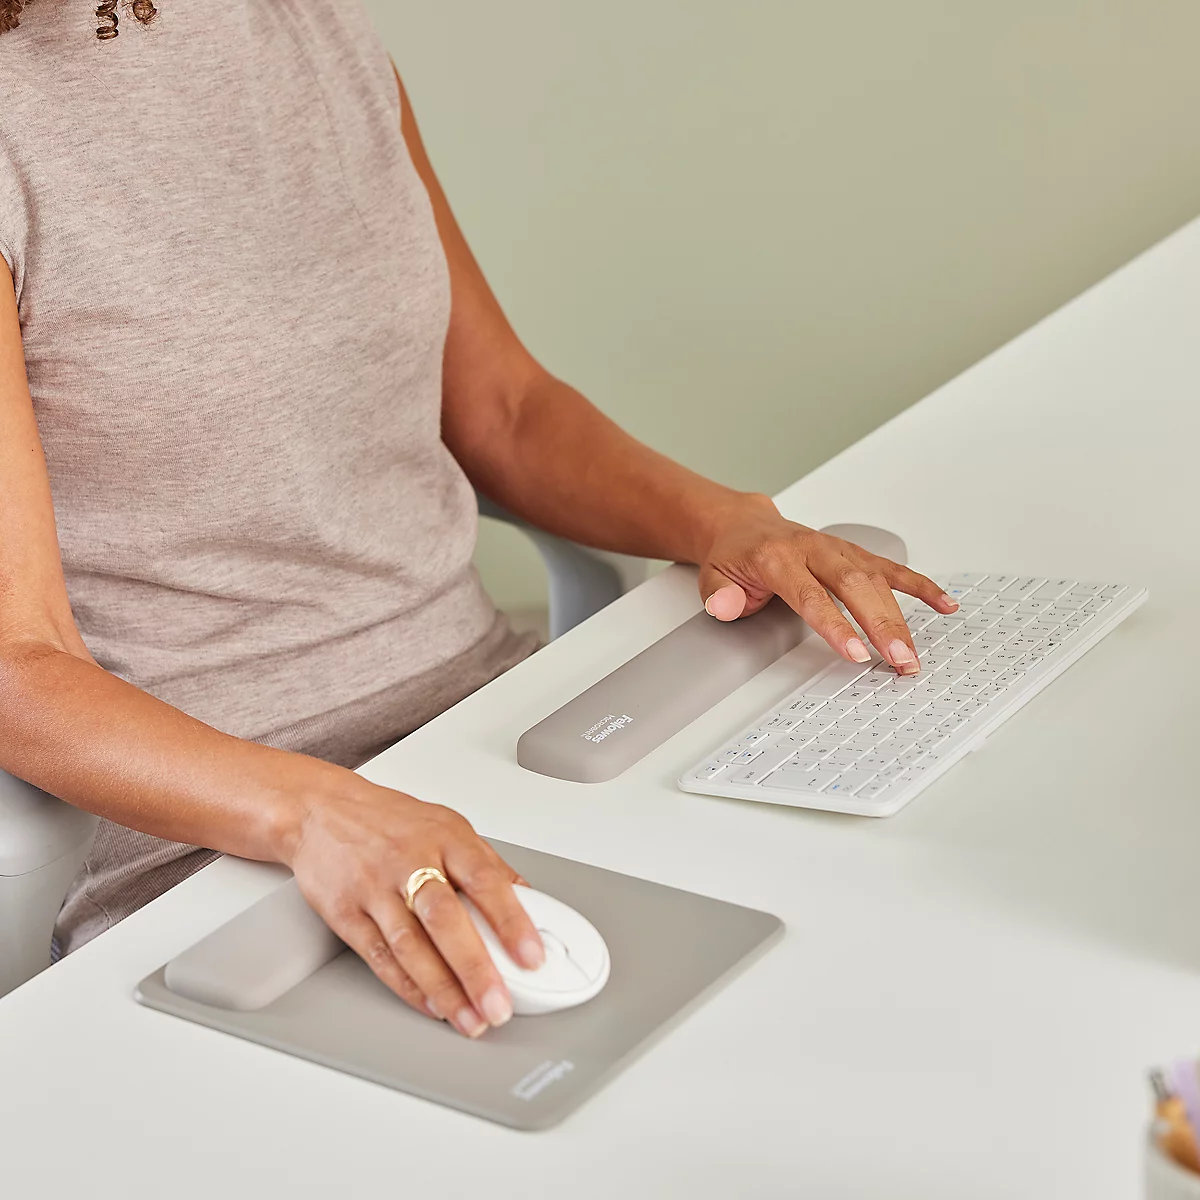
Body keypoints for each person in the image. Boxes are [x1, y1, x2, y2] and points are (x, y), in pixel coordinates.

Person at [0, 0, 957, 1038]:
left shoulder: (313, 29)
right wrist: (315, 811)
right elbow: (21, 664)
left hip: (491, 734)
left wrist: (725, 521)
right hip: (226, 845)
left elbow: (504, 410)